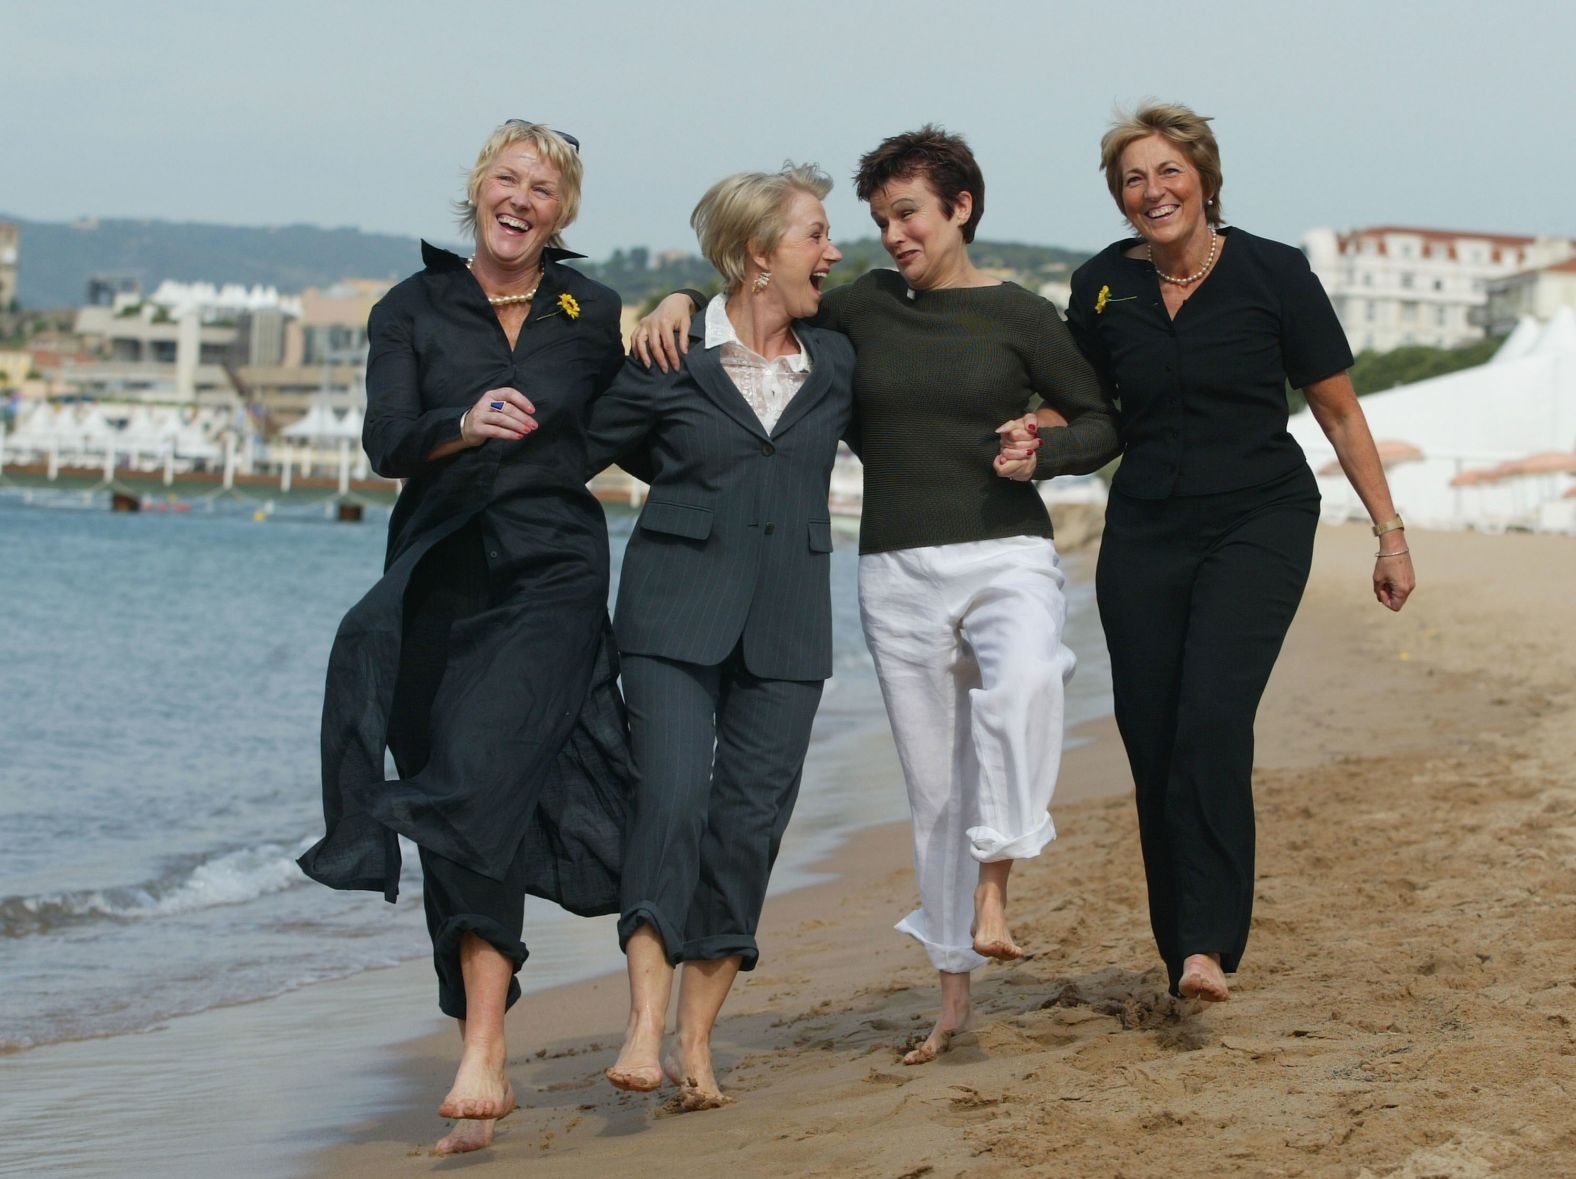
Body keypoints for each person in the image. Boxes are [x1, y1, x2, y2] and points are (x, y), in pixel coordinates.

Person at [634, 127, 1119, 1065]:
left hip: (1005, 551)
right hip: (894, 569)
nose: (891, 234)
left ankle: (999, 872)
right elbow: (758, 300)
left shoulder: (1021, 315)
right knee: (934, 789)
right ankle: (951, 995)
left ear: (960, 209)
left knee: (1025, 681)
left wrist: (1043, 449)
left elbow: (1100, 419)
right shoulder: (857, 308)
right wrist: (680, 295)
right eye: (879, 218)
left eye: (908, 214)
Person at [997, 101, 1416, 1003]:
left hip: (1257, 519)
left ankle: (1211, 947)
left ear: (1205, 178)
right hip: (1145, 526)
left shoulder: (1274, 273)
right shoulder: (1104, 285)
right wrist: (1033, 433)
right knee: (1152, 738)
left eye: (1169, 172)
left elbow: (1338, 409)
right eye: (1134, 179)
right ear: (1120, 196)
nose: (1154, 191)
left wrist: (1389, 532)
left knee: (1212, 720)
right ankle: (1181, 943)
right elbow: (1090, 411)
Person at [298, 120, 632, 1155]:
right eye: (507, 177)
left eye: (544, 187)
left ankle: (483, 1039)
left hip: (553, 573)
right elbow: (386, 442)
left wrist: (684, 312)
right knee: (465, 805)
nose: (521, 197)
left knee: (471, 776)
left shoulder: (594, 309)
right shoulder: (411, 307)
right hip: (441, 575)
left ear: (562, 212)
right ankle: (479, 1043)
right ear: (477, 189)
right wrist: (459, 420)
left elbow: (629, 423)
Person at [585, 164, 854, 1109]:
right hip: (670, 613)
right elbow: (586, 447)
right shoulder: (669, 357)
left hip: (789, 625)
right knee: (670, 800)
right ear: (759, 255)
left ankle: (698, 1038)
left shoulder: (840, 354)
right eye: (815, 236)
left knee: (747, 827)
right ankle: (643, 1025)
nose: (833, 251)